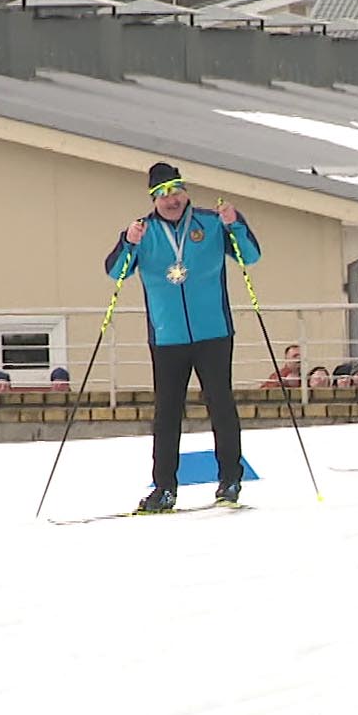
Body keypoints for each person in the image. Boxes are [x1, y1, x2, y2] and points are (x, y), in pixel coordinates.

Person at [105, 161, 261, 512]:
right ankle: (164, 488)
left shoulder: (209, 222)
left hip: (213, 332)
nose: (170, 199)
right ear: (153, 199)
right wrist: (127, 243)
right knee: (167, 413)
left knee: (221, 405)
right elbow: (116, 272)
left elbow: (250, 256)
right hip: (167, 337)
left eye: (175, 191)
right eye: (161, 194)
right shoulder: (144, 232)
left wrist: (235, 224)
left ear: (185, 191)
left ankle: (230, 480)